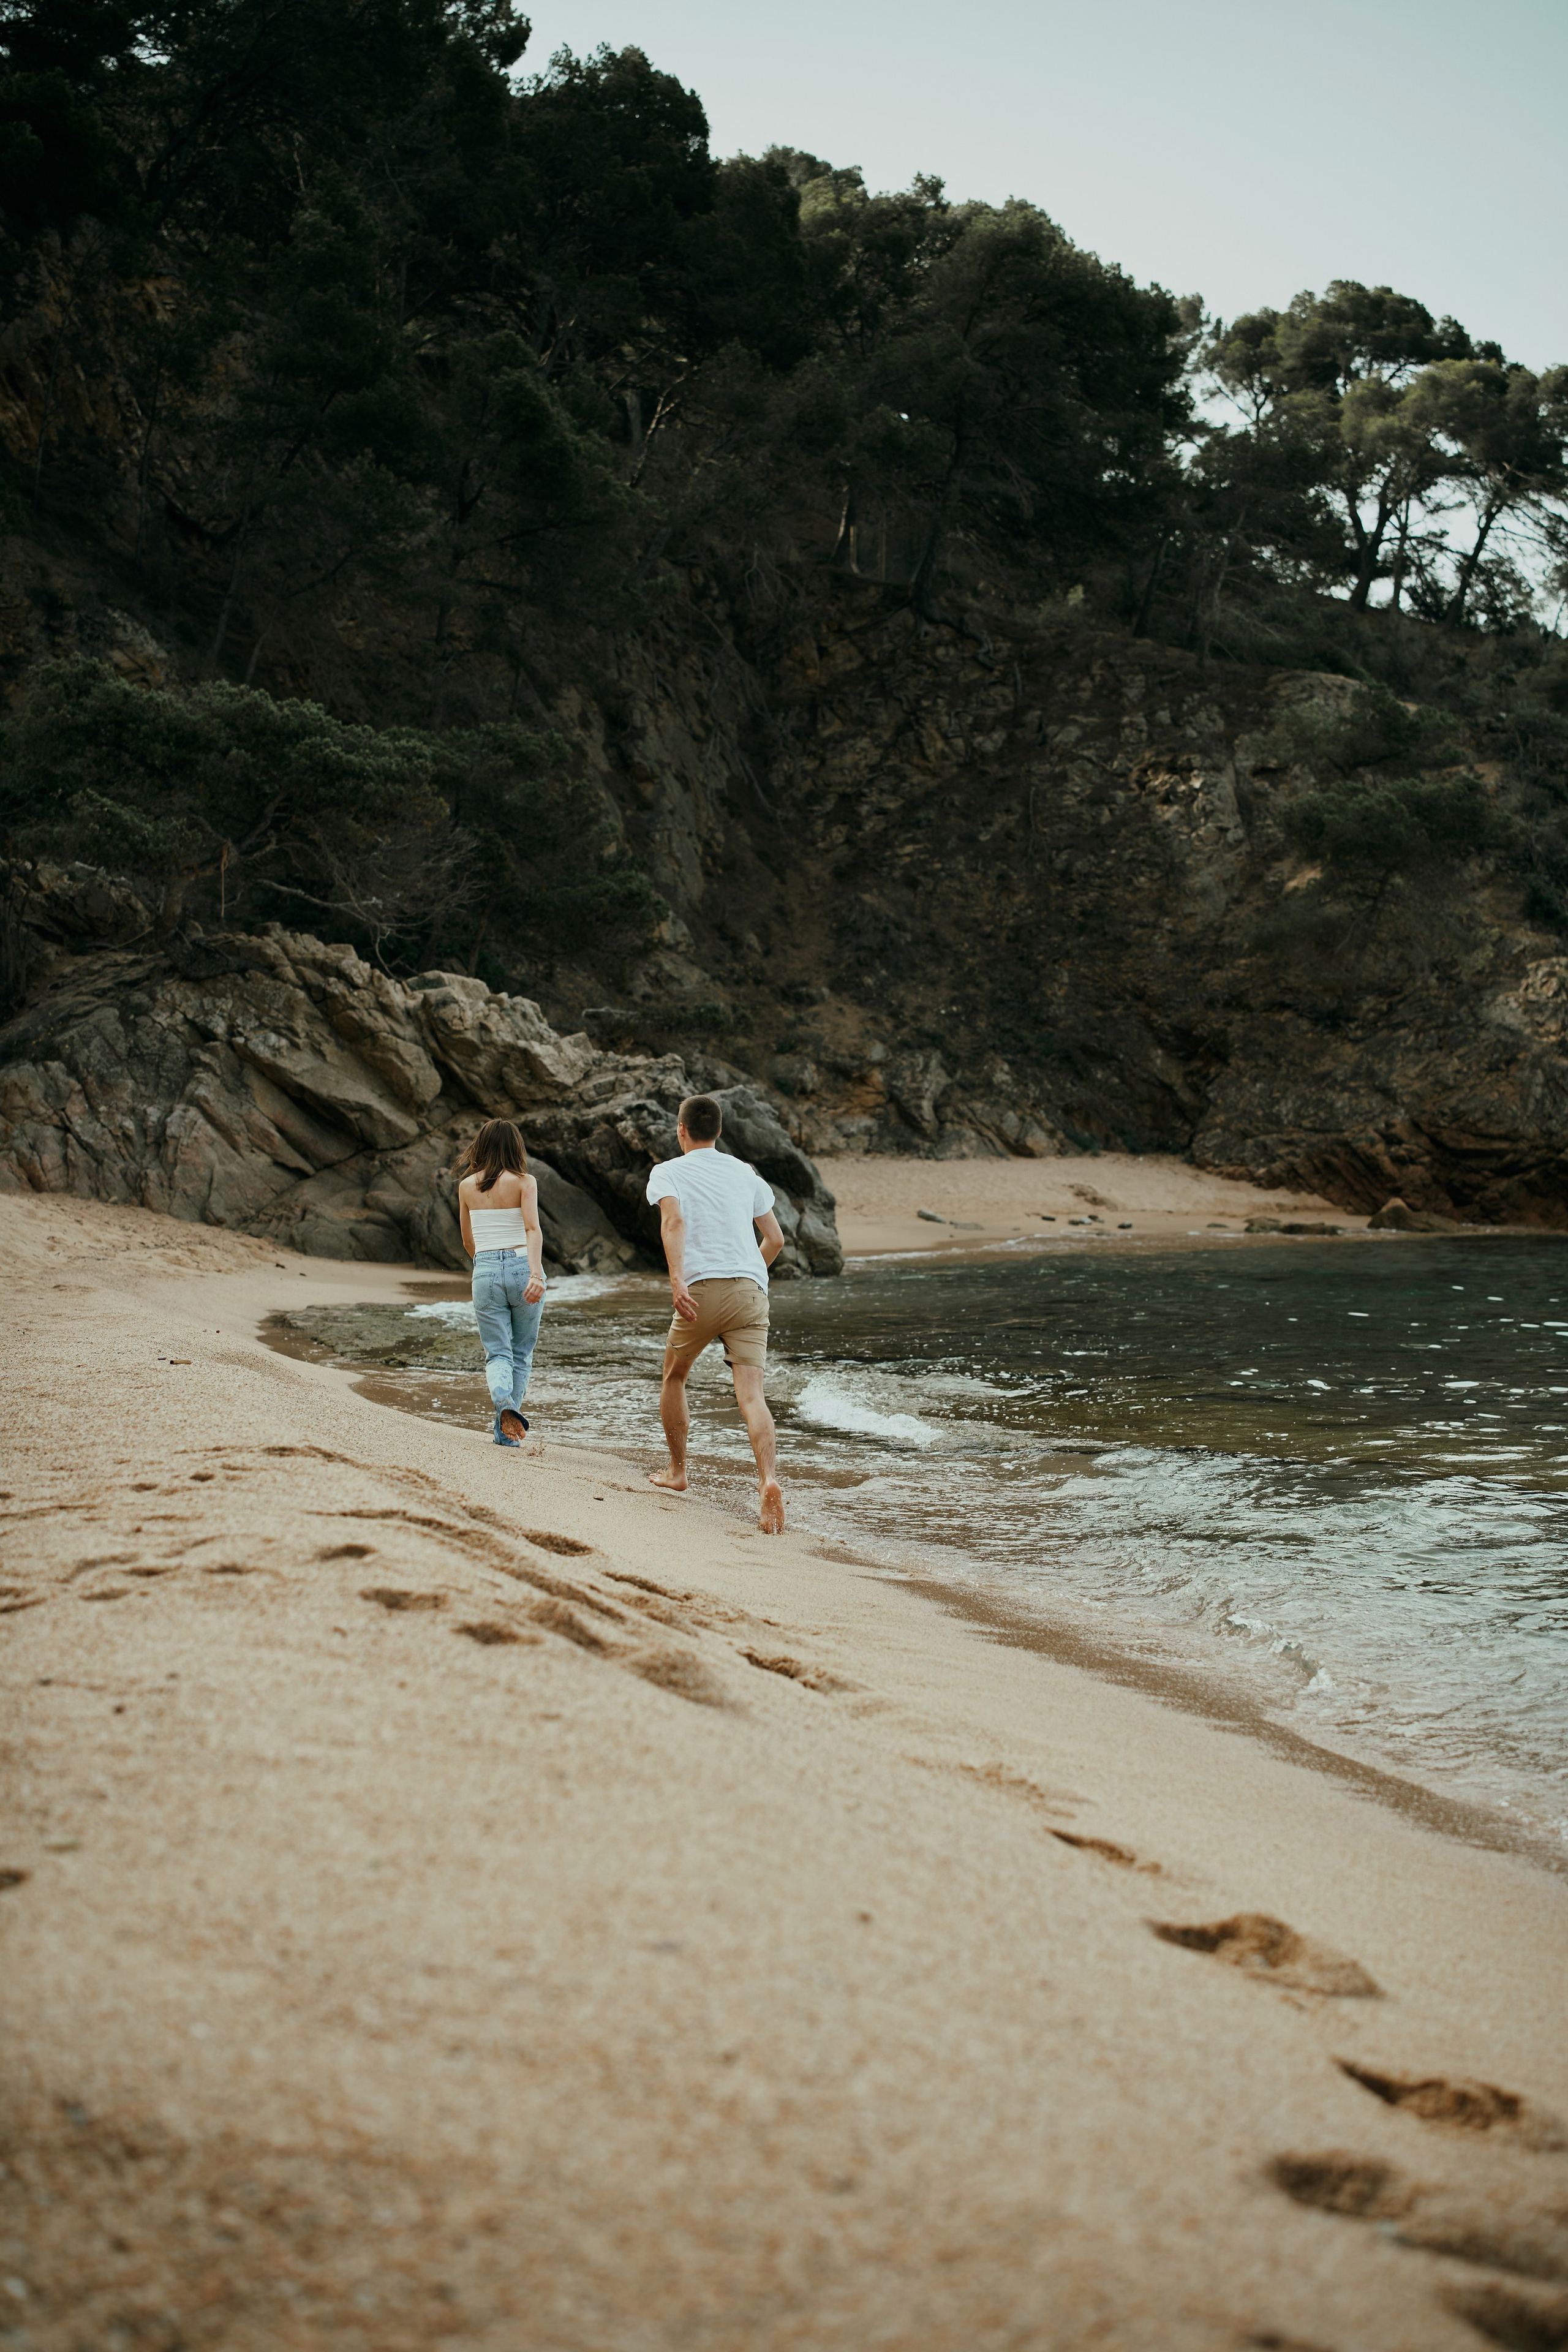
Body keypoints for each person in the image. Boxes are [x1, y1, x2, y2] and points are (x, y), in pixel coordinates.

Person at [646, 1094, 787, 1534]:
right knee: (751, 1396)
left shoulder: (667, 1171)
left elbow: (673, 1223)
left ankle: (678, 1471)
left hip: (700, 1291)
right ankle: (768, 1479)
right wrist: (748, 1277)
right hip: (750, 1292)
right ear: (720, 1131)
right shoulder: (745, 1173)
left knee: (675, 1376)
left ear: (681, 1130)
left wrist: (677, 1281)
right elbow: (776, 1239)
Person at [457, 1118, 545, 1447]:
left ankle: (503, 1409)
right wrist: (535, 1274)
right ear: (515, 1147)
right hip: (523, 1266)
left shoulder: (466, 1186)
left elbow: (468, 1241)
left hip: (486, 1268)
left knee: (497, 1354)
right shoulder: (525, 1182)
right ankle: (507, 1431)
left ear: (480, 1147)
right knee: (521, 1353)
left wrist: (486, 1265)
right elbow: (532, 1230)